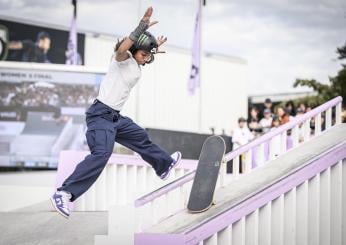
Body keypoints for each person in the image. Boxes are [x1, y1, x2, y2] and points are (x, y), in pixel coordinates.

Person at [50, 7, 181, 218]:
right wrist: (141, 27)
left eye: (149, 56)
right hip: (100, 115)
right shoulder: (121, 59)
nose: (145, 59)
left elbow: (144, 54)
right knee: (102, 153)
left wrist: (153, 47)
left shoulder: (137, 64)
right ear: (134, 49)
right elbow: (124, 48)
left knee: (139, 135)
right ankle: (64, 193)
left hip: (115, 117)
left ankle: (163, 165)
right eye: (143, 54)